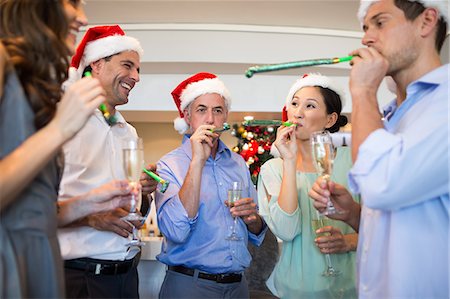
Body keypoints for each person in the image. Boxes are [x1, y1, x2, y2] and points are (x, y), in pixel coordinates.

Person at [310, 0, 449, 298]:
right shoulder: (387, 117)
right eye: (364, 27)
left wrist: (361, 91)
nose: (366, 38)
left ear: (426, 21)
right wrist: (354, 214)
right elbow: (404, 217)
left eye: (380, 23)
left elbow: (381, 183)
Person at [0, 0, 133, 298]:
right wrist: (59, 130)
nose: (82, 17)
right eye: (72, 2)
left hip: (40, 260)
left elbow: (32, 208)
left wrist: (89, 203)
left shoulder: (33, 84)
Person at [57, 24, 158, 298]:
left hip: (126, 279)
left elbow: (133, 208)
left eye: (138, 69)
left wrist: (143, 193)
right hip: (80, 279)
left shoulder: (129, 132)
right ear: (97, 65)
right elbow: (28, 210)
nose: (136, 77)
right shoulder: (61, 121)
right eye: (128, 65)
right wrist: (90, 218)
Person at [154, 72, 266, 298]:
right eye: (201, 110)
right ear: (187, 116)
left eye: (218, 111)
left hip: (237, 287)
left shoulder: (238, 163)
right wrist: (197, 160)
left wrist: (253, 220)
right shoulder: (169, 164)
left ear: (225, 116)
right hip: (189, 286)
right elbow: (176, 230)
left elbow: (257, 232)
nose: (210, 120)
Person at [257, 73, 359, 298]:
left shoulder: (353, 162)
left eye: (309, 105)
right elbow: (286, 230)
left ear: (330, 119)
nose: (297, 112)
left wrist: (348, 241)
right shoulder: (274, 169)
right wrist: (290, 161)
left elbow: (381, 225)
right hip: (293, 289)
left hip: (350, 287)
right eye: (294, 104)